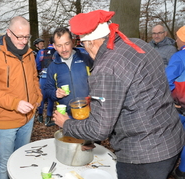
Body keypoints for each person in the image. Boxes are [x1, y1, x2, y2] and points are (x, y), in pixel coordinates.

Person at [53, 10, 185, 179]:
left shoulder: (107, 68)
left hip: (144, 155)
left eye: (84, 45)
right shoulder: (138, 44)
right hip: (171, 140)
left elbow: (99, 129)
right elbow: (134, 95)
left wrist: (67, 124)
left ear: (91, 42)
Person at [0, 16, 42, 179]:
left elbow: (34, 78)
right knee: (4, 163)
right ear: (8, 32)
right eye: (19, 36)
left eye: (26, 37)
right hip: (6, 120)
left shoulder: (30, 54)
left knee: (21, 160)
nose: (23, 41)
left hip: (28, 118)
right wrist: (15, 103)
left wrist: (38, 99)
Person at [45, 27, 92, 121]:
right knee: (68, 136)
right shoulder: (52, 67)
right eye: (59, 45)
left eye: (67, 44)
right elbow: (47, 89)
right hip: (66, 116)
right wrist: (55, 93)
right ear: (54, 46)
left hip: (89, 112)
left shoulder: (86, 59)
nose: (64, 49)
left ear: (72, 42)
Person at [165, 25, 185, 179]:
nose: (176, 40)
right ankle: (182, 171)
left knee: (171, 137)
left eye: (178, 37)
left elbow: (166, 80)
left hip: (180, 108)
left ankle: (165, 169)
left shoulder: (179, 57)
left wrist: (172, 98)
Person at [35, 37, 56, 126]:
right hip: (52, 78)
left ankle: (40, 117)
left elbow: (38, 65)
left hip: (43, 77)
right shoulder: (57, 52)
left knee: (41, 97)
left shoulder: (41, 52)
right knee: (51, 99)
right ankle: (48, 118)